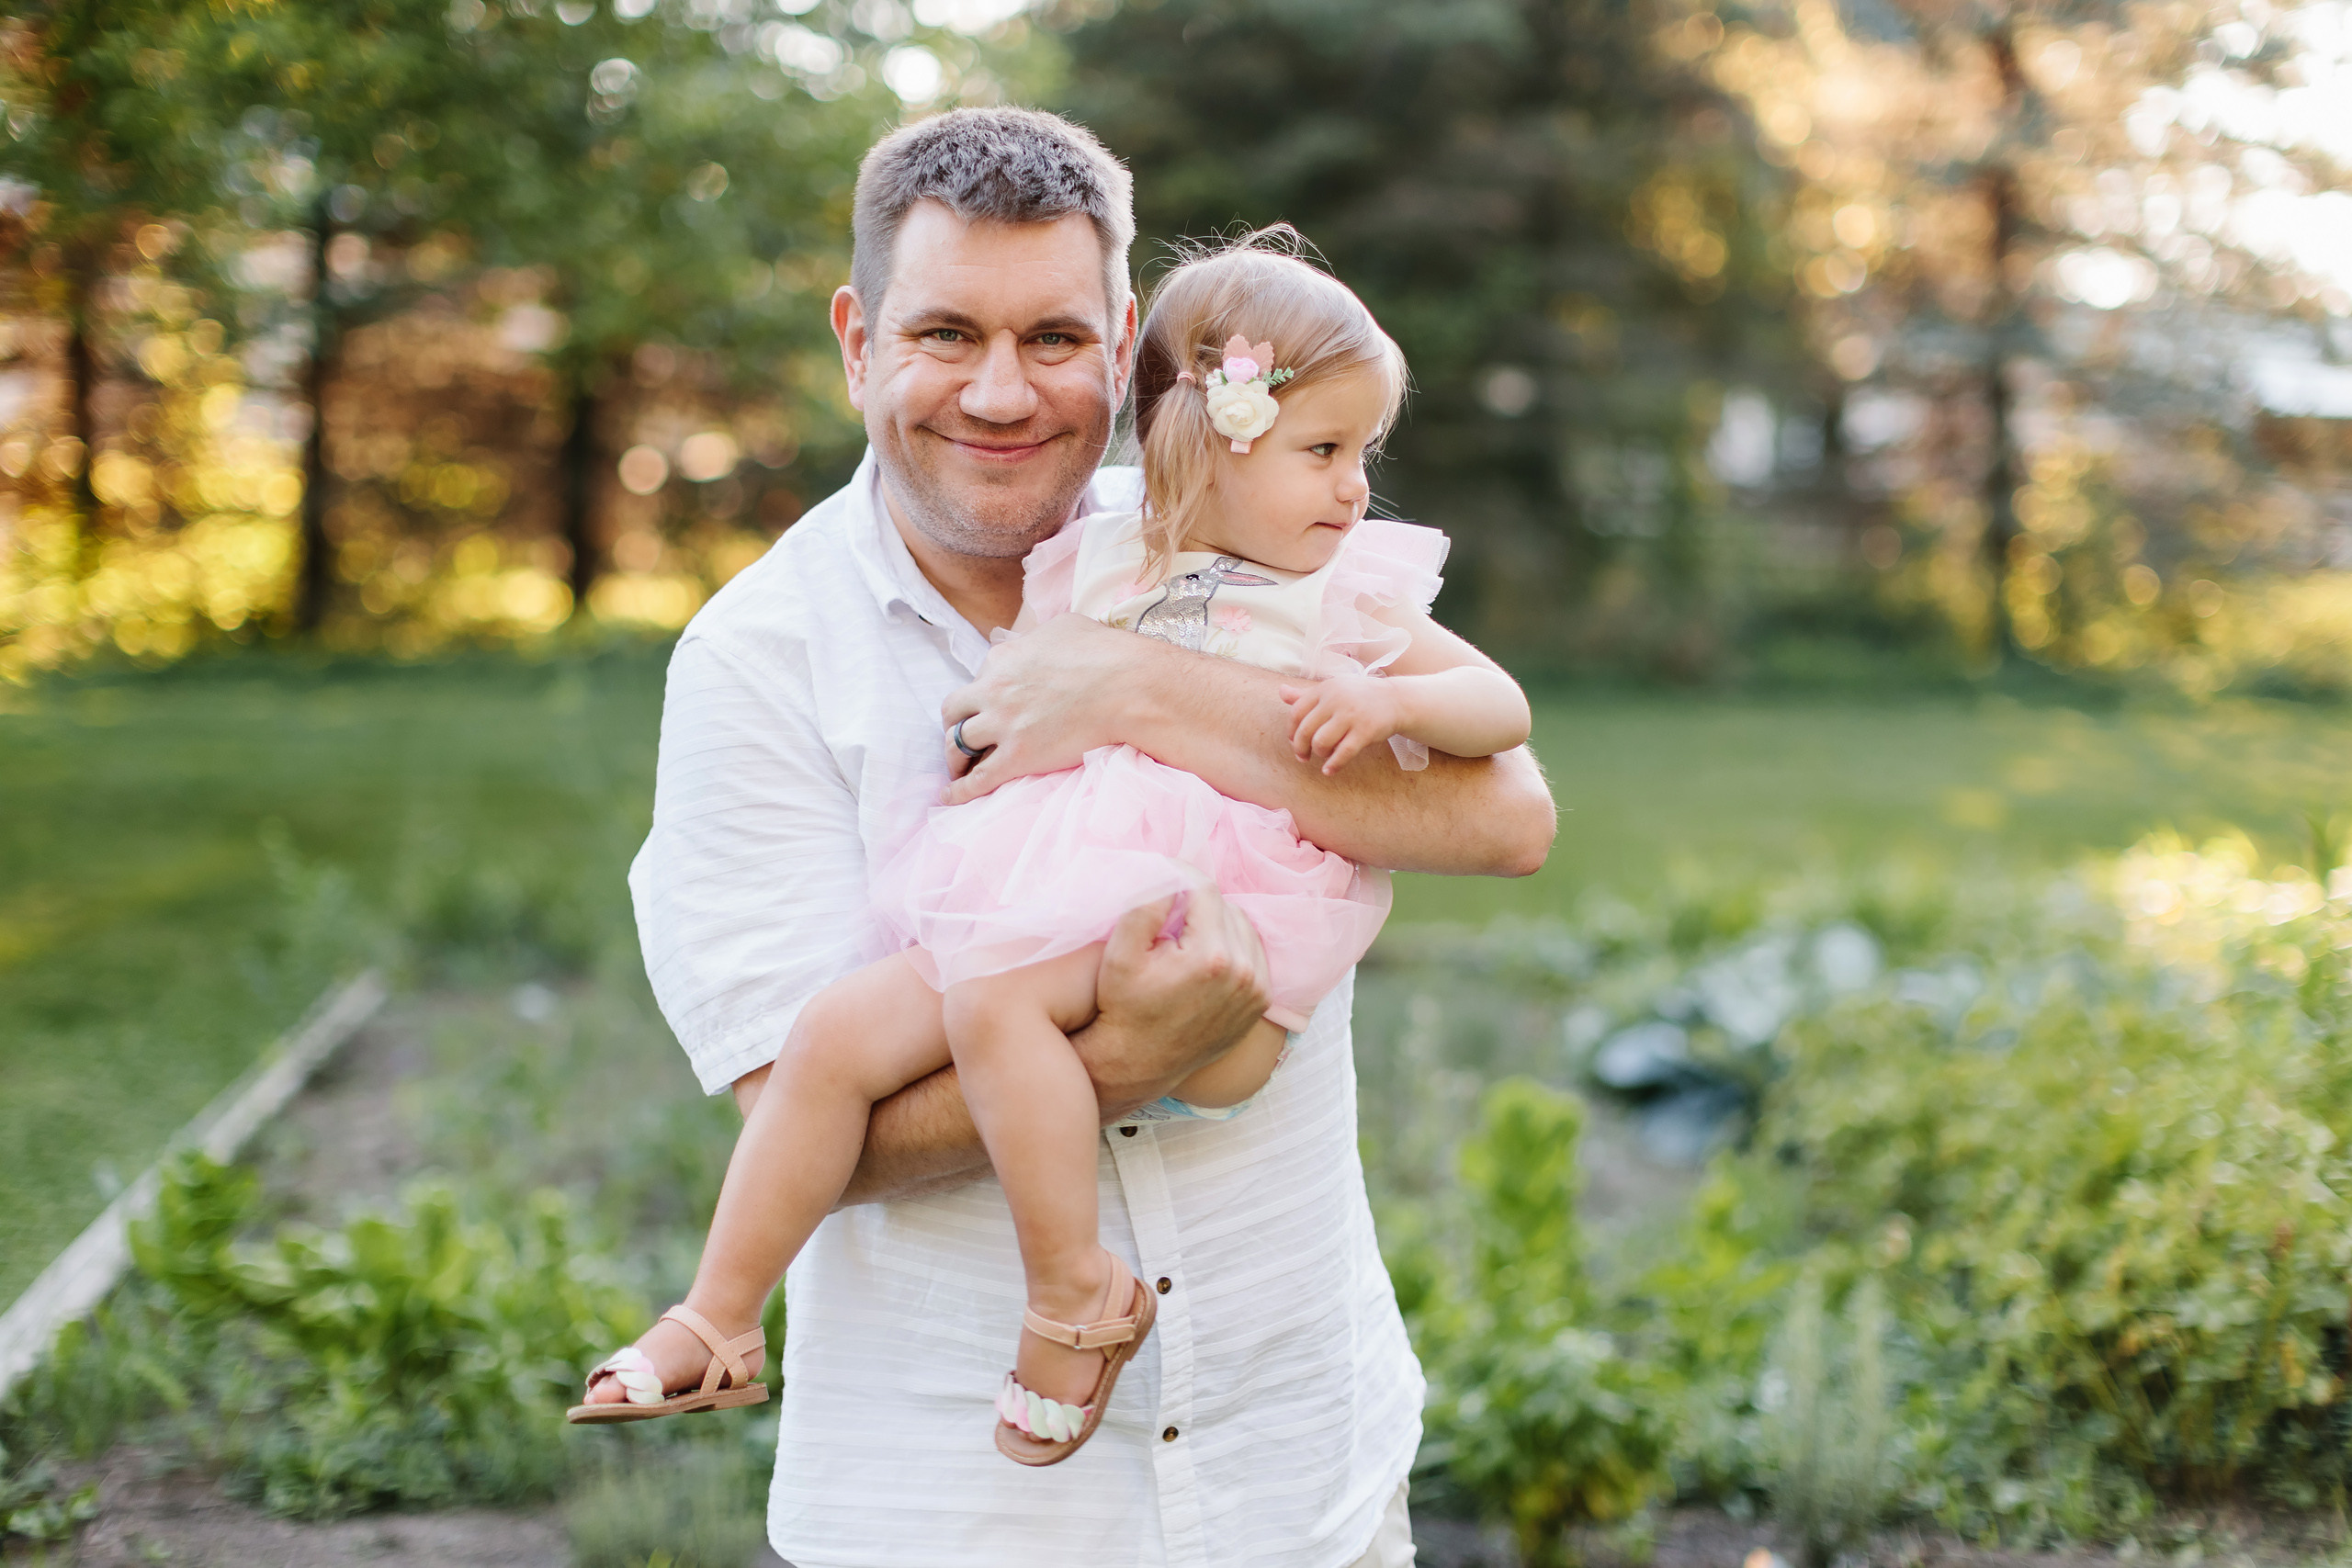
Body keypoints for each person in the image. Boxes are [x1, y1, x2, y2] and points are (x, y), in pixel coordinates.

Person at [624, 107, 1555, 1566]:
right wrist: (1131, 1050)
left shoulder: (1238, 536)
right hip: (966, 1513)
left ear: (1126, 349)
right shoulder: (760, 661)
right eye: (946, 333)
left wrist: (1137, 692)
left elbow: (1507, 815)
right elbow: (800, 1117)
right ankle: (746, 1321)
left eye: (1054, 338)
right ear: (858, 343)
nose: (1001, 392)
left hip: (1297, 1463)